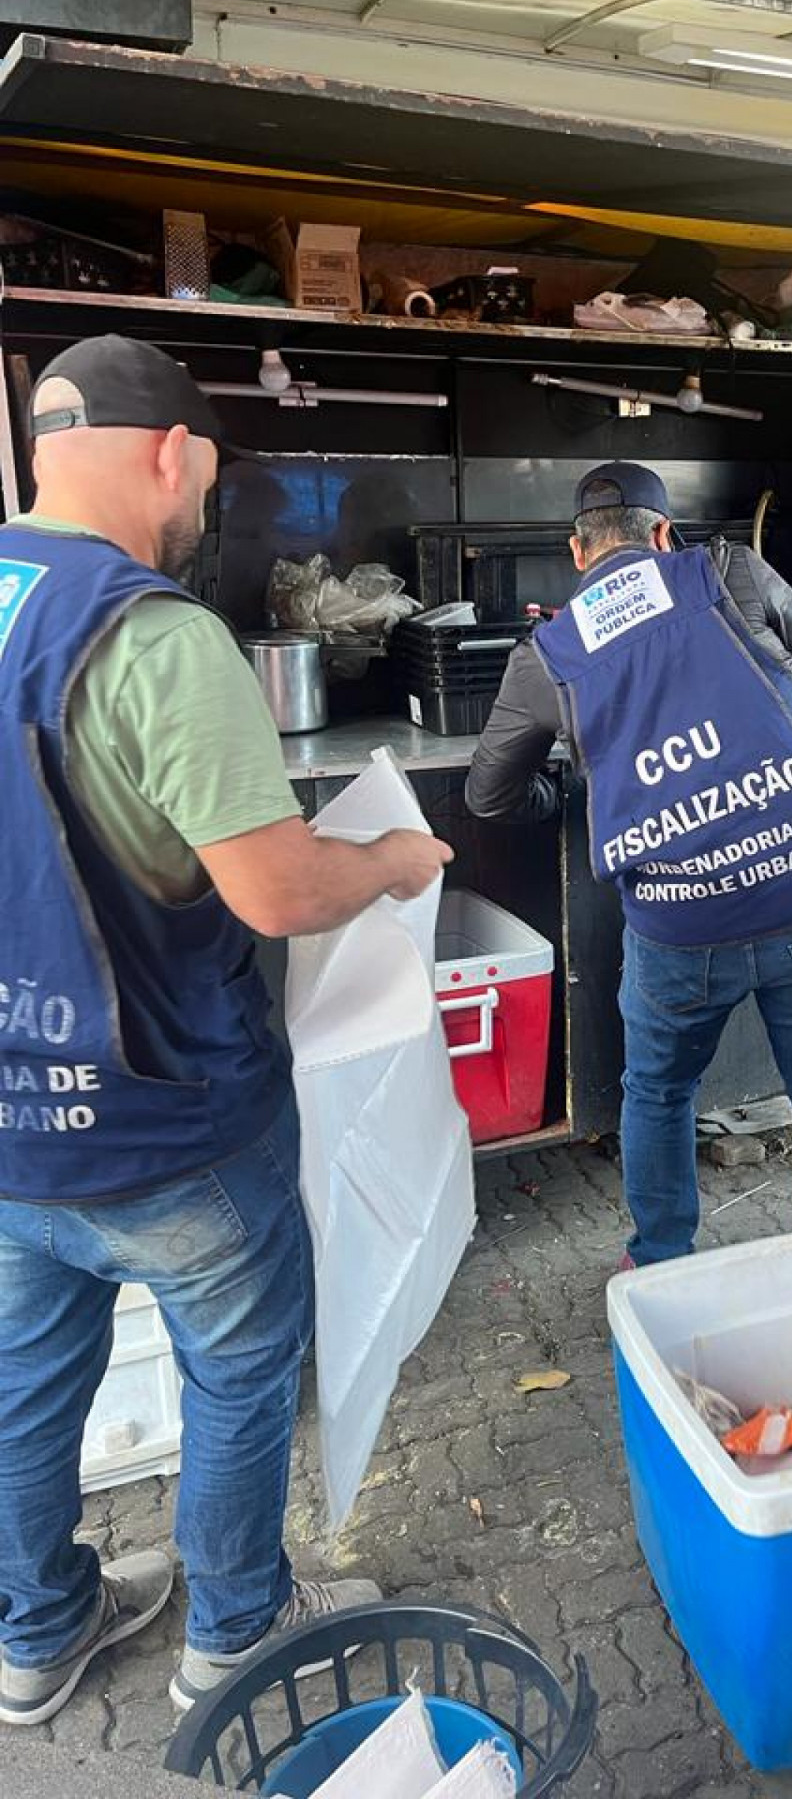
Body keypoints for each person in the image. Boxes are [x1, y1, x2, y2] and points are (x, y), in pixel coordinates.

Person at [0, 336, 452, 1726]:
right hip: (165, 1112)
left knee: (26, 1380)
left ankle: (35, 1638)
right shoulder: (152, 631)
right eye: (207, 473)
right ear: (169, 452)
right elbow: (271, 892)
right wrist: (385, 863)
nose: (206, 506)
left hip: (11, 1123)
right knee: (241, 1373)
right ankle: (238, 1635)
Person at [466, 461, 792, 1266]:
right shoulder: (736, 573)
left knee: (658, 1092)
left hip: (681, 924)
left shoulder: (549, 654)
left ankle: (660, 1258)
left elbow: (488, 795)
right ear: (663, 534)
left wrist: (568, 793)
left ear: (577, 553)